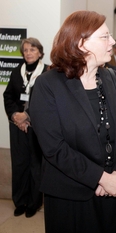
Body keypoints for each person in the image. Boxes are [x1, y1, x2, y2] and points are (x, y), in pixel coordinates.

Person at [29, 10, 116, 233]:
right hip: (70, 199)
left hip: (115, 194)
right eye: (104, 37)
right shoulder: (48, 85)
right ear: (81, 43)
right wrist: (100, 178)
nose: (112, 42)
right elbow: (54, 148)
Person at [3, 37, 48, 218]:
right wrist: (16, 116)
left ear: (40, 52)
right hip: (17, 127)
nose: (28, 53)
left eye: (32, 50)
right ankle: (20, 201)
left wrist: (27, 115)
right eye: (26, 50)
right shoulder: (16, 72)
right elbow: (8, 97)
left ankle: (33, 203)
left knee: (35, 165)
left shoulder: (47, 73)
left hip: (37, 127)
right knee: (19, 163)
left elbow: (46, 101)